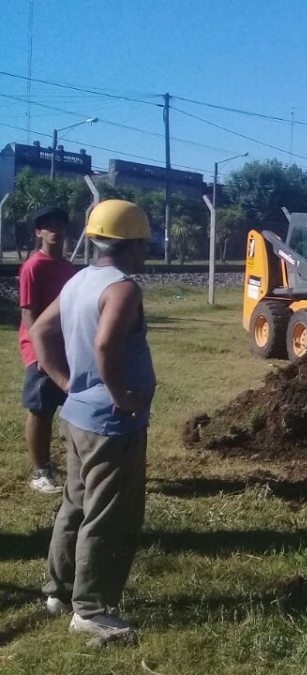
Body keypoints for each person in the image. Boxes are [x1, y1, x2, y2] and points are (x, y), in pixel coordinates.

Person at [29, 199, 156, 641]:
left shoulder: (80, 279)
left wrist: (66, 383)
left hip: (78, 416)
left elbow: (40, 331)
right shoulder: (122, 288)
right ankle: (92, 609)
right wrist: (120, 395)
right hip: (111, 424)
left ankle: (58, 591)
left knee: (75, 504)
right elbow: (105, 346)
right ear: (134, 244)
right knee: (108, 516)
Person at [18, 206, 77, 493]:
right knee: (41, 409)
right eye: (48, 226)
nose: (55, 230)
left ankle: (76, 464)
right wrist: (40, 352)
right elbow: (28, 313)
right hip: (40, 350)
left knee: (73, 407)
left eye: (60, 225)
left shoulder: (67, 267)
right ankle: (40, 471)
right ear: (38, 233)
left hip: (66, 348)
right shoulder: (33, 266)